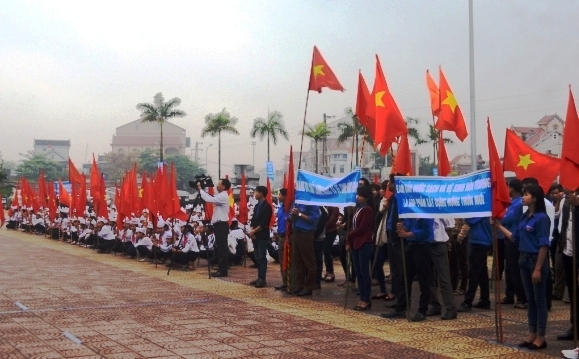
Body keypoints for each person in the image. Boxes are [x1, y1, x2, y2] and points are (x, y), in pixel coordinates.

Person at [493, 184, 551, 350]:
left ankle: (541, 336)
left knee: (539, 300)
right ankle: (531, 333)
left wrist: (538, 268)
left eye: (526, 195)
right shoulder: (525, 216)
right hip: (523, 259)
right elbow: (515, 237)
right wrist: (498, 226)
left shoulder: (541, 218)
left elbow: (544, 245)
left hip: (535, 260)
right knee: (530, 299)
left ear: (534, 198)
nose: (523, 197)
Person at [345, 186, 375, 311]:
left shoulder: (368, 210)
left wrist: (348, 236)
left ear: (366, 197)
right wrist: (349, 241)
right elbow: (353, 225)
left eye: (361, 195)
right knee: (358, 272)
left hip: (364, 243)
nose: (358, 197)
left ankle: (366, 299)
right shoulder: (358, 209)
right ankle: (362, 298)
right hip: (356, 243)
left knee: (364, 273)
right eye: (357, 195)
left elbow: (362, 228)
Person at [500, 179, 527, 309]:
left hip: (514, 239)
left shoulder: (519, 204)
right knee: (509, 269)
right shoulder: (511, 203)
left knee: (515, 270)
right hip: (507, 238)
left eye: (507, 187)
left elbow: (505, 218)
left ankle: (522, 298)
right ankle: (509, 295)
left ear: (511, 188)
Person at [556, 189, 579, 341]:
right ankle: (575, 326)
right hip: (568, 251)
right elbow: (564, 225)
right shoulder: (566, 201)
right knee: (573, 292)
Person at [198, 178, 231, 277]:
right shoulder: (220, 196)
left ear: (224, 186)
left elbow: (209, 199)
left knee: (222, 248)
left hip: (221, 225)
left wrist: (200, 189)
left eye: (219, 184)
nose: (217, 185)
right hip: (219, 225)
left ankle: (223, 270)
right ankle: (222, 268)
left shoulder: (223, 196)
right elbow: (211, 198)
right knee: (220, 248)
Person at [426, 218, 457, 320]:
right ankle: (434, 305)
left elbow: (450, 226)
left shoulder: (441, 206)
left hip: (439, 244)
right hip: (426, 243)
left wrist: (447, 241)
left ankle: (450, 308)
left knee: (443, 278)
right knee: (429, 278)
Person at [290, 202, 320, 296]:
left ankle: (309, 287)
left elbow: (313, 219)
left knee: (309, 262)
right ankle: (300, 285)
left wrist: (299, 213)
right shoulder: (296, 203)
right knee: (298, 261)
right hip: (296, 233)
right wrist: (292, 215)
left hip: (305, 234)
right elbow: (290, 218)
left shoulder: (312, 204)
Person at [248, 185, 273, 288]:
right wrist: (252, 231)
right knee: (257, 257)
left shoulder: (267, 206)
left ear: (261, 193)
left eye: (257, 192)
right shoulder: (257, 206)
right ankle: (259, 277)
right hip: (255, 235)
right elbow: (254, 219)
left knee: (262, 257)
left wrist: (254, 231)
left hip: (262, 235)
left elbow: (264, 223)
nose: (255, 194)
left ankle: (262, 278)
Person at [274, 189, 289, 290]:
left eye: (280, 195)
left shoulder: (289, 209)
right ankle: (284, 281)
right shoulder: (280, 209)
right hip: (280, 236)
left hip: (288, 237)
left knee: (288, 260)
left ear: (285, 196)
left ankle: (290, 282)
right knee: (281, 260)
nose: (278, 196)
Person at [322, 206, 339, 283]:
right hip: (322, 231)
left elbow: (332, 221)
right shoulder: (322, 205)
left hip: (331, 231)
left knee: (326, 250)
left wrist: (321, 227)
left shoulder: (334, 207)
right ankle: (327, 271)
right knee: (324, 252)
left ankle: (331, 272)